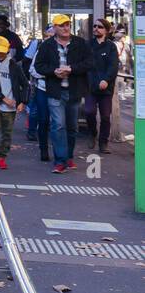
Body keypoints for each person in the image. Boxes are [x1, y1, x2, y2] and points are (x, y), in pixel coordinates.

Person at [33, 14, 92, 174]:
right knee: (58, 125)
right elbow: (39, 66)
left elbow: (89, 62)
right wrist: (54, 72)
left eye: (67, 24)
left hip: (74, 91)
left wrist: (71, 69)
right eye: (62, 25)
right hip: (55, 91)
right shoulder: (46, 46)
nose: (66, 28)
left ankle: (69, 156)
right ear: (55, 28)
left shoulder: (80, 43)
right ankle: (60, 160)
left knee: (72, 126)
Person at [0, 36, 29, 170]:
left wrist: (22, 102)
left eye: (3, 51)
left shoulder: (13, 64)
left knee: (7, 132)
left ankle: (2, 156)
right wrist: (3, 98)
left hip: (11, 105)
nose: (0, 54)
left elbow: (25, 84)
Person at [84, 18, 118, 155]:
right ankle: (92, 133)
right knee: (89, 112)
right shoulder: (87, 45)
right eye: (95, 26)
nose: (96, 29)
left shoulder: (111, 47)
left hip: (106, 88)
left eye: (100, 27)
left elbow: (113, 66)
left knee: (105, 116)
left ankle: (103, 142)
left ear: (106, 30)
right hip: (90, 87)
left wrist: (106, 80)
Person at [24, 25, 54, 161]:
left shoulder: (67, 48)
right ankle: (42, 146)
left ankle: (61, 153)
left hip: (60, 90)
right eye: (49, 35)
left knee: (60, 122)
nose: (51, 38)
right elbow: (32, 68)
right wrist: (47, 75)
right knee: (41, 116)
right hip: (41, 87)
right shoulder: (40, 47)